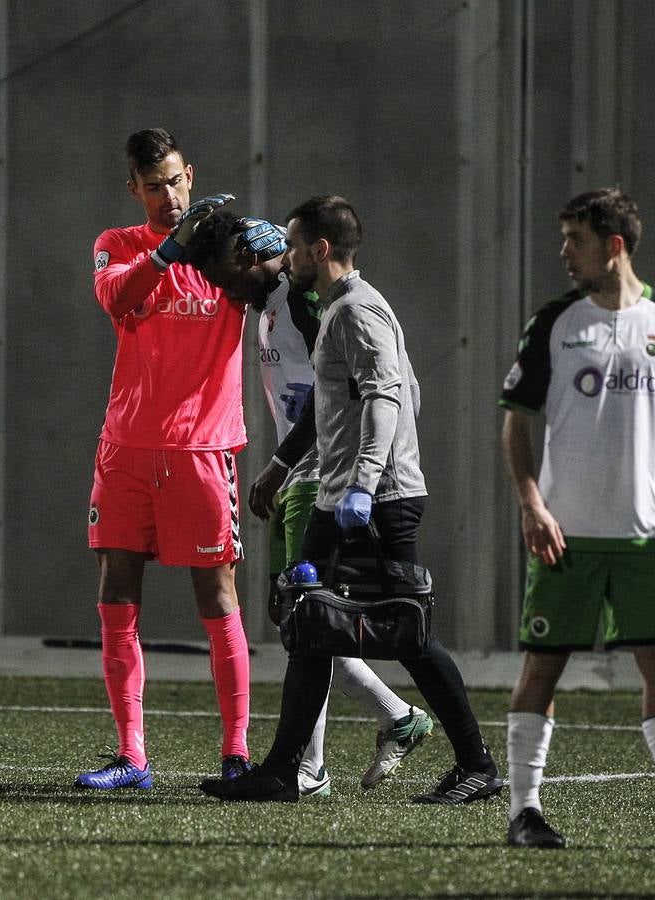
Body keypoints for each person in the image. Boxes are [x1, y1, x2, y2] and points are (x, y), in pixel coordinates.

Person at [200, 196, 500, 804]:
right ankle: (286, 769)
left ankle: (476, 764)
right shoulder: (341, 309)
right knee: (307, 621)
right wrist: (289, 467)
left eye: (292, 246)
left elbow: (391, 397)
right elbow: (340, 402)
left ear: (321, 250)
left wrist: (365, 483)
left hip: (376, 500)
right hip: (340, 495)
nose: (285, 258)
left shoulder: (358, 310)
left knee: (410, 635)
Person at [499, 188, 655, 851]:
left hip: (646, 534)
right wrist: (531, 504)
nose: (562, 253)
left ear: (614, 246)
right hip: (565, 532)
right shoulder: (552, 321)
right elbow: (515, 423)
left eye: (573, 240)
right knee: (542, 668)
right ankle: (524, 812)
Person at [79, 128, 252, 790]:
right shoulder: (117, 245)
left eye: (175, 181)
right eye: (153, 186)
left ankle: (234, 754)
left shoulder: (221, 247)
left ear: (191, 174)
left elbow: (268, 284)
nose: (168, 195)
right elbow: (116, 300)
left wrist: (273, 249)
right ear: (135, 190)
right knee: (116, 592)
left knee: (216, 593)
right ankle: (132, 757)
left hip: (202, 451)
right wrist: (165, 254)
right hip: (125, 449)